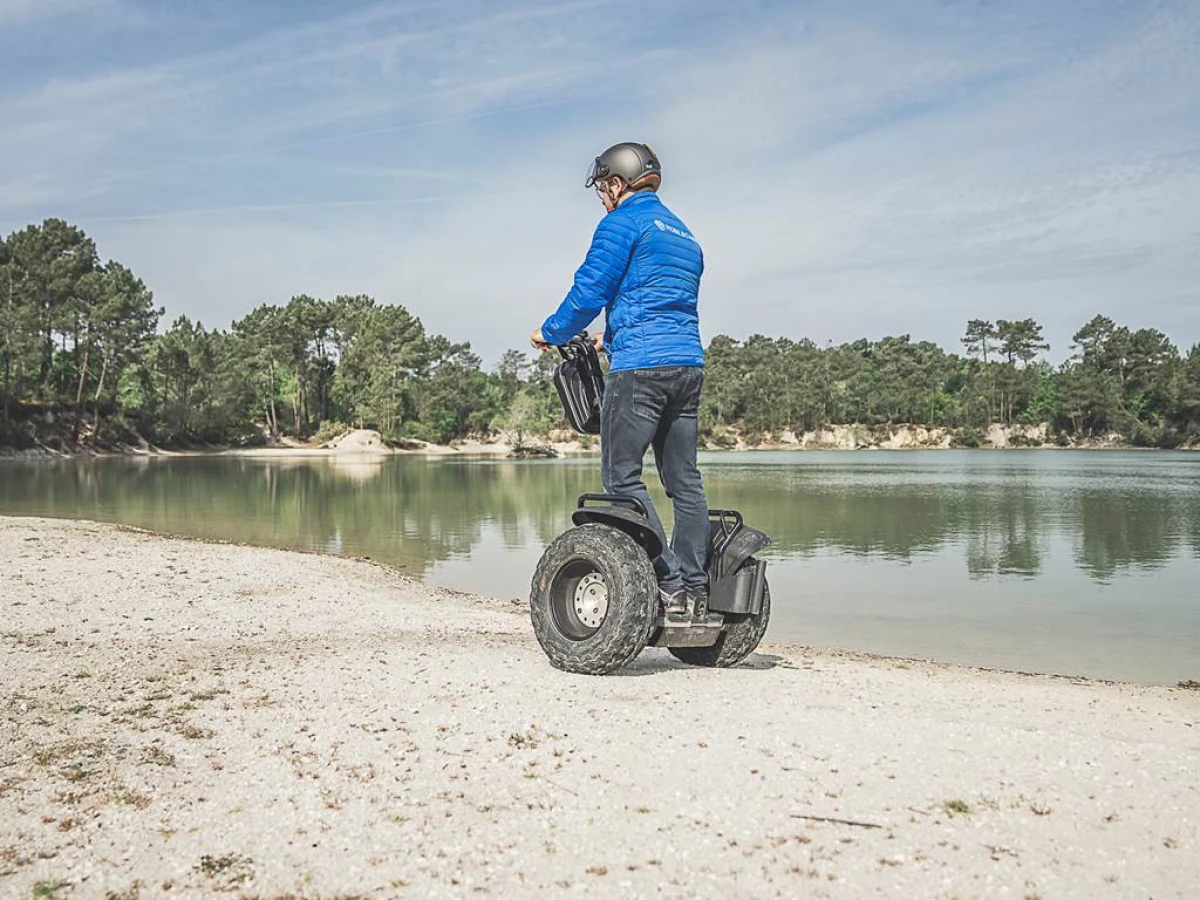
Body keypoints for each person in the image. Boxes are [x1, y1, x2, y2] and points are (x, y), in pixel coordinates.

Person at [530, 141, 709, 620]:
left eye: (603, 185)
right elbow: (659, 302)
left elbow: (591, 289)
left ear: (617, 181)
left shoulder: (621, 222)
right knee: (684, 480)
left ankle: (666, 581)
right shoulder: (683, 234)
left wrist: (551, 332)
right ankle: (695, 585)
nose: (603, 195)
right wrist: (609, 338)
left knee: (621, 476)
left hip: (641, 371)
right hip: (687, 366)